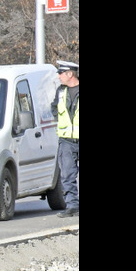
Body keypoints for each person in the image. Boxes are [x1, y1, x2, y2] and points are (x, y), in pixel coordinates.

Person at [52, 60, 79, 218]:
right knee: (67, 175)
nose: (58, 76)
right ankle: (73, 206)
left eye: (61, 73)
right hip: (67, 140)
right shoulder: (61, 91)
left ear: (70, 74)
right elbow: (54, 107)